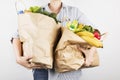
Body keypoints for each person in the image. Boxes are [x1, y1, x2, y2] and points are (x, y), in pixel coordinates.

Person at [11, 0, 97, 80]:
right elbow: (18, 35)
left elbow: (95, 34)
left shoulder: (74, 12)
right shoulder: (36, 12)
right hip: (42, 71)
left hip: (69, 70)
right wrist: (18, 58)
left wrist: (90, 53)